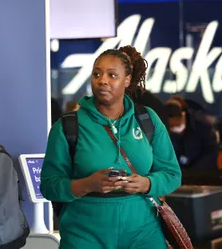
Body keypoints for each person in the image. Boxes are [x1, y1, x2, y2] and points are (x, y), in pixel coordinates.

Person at [40, 46, 182, 249]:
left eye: (112, 75)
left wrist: (146, 183)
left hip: (143, 230)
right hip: (84, 232)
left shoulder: (147, 120)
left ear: (127, 80)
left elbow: (172, 174)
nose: (102, 80)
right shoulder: (68, 126)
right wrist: (88, 184)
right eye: (96, 73)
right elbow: (49, 185)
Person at [165, 97, 219, 170]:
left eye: (177, 124)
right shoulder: (163, 130)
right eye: (172, 126)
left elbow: (211, 152)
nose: (175, 127)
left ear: (183, 115)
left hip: (203, 173)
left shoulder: (203, 126)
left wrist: (194, 172)